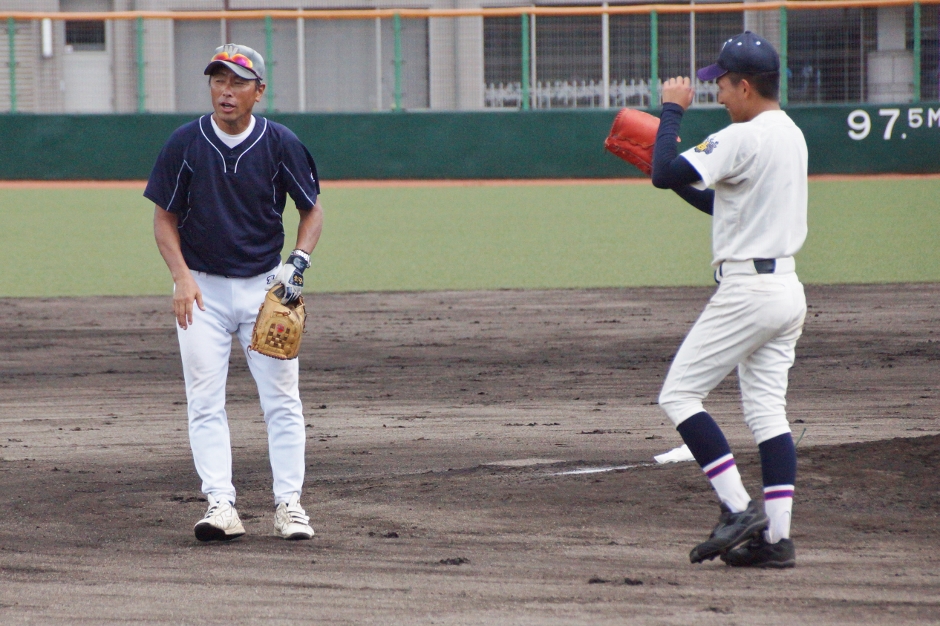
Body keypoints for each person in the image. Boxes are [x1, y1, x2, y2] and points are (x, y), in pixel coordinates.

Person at [145, 43, 324, 542]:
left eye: (238, 82)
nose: (226, 90)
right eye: (218, 80)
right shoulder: (185, 142)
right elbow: (163, 219)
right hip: (201, 290)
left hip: (266, 290)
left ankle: (290, 506)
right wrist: (181, 276)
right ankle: (220, 504)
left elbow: (311, 209)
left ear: (258, 91)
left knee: (282, 400)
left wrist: (297, 263)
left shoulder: (280, 143)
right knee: (204, 401)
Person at [649, 31, 808, 568]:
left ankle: (738, 508)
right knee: (767, 414)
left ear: (744, 86)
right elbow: (726, 208)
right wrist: (671, 174)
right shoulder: (791, 134)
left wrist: (671, 111)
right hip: (786, 291)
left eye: (720, 83)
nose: (715, 92)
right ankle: (776, 541)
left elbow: (663, 172)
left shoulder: (742, 136)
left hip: (749, 293)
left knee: (679, 395)